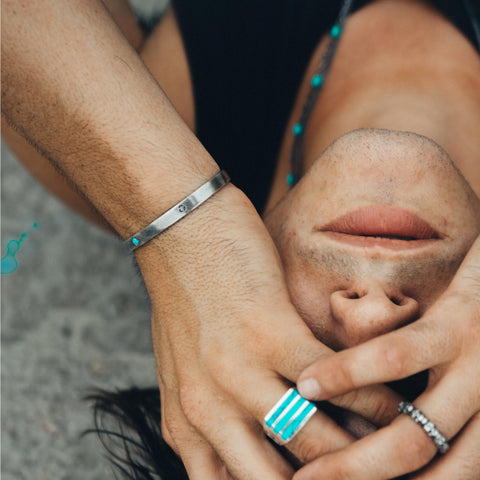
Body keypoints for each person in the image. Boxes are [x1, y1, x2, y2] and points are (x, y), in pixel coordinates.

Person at [2, 0, 480, 478]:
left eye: (304, 382)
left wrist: (175, 220)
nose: (371, 313)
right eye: (420, 380)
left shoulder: (118, 141)